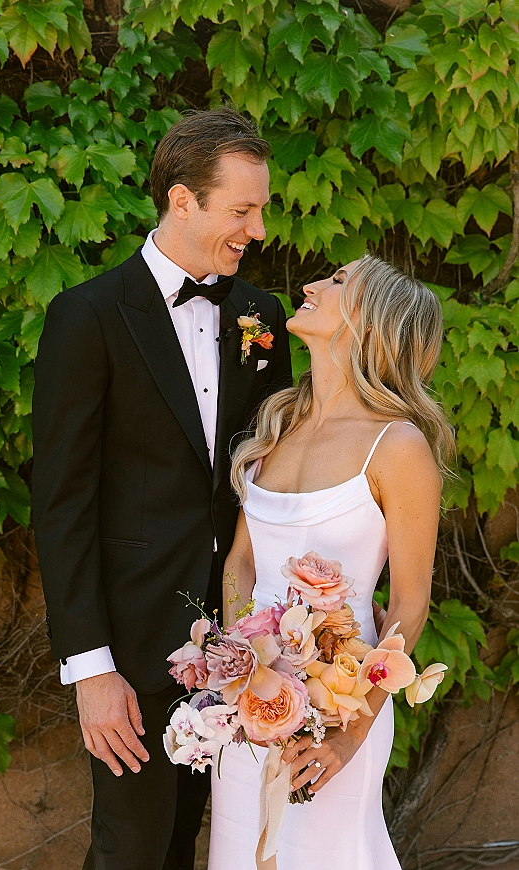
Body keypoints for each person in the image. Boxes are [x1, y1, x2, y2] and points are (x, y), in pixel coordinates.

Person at [31, 107, 292, 870]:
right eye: (242, 210)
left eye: (262, 209)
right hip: (132, 648)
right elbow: (62, 504)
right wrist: (91, 667)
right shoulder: (86, 317)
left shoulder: (262, 318)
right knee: (131, 851)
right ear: (184, 200)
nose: (259, 230)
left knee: (199, 846)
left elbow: (266, 478)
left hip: (243, 646)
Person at [209, 255, 455, 869]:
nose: (313, 285)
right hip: (249, 708)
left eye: (339, 282)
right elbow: (240, 563)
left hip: (336, 710)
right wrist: (241, 671)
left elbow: (408, 605)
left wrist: (348, 734)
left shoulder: (398, 447)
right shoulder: (279, 424)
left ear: (372, 322)